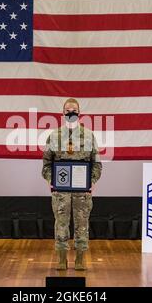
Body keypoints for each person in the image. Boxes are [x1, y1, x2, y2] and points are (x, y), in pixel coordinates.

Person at [42, 98, 102, 270]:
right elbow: (46, 163)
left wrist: (91, 181)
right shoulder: (53, 136)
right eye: (67, 110)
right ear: (62, 113)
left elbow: (96, 163)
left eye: (74, 109)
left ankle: (80, 258)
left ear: (79, 113)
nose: (71, 112)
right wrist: (51, 180)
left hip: (82, 190)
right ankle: (61, 258)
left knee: (82, 223)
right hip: (60, 190)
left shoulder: (89, 135)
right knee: (61, 223)